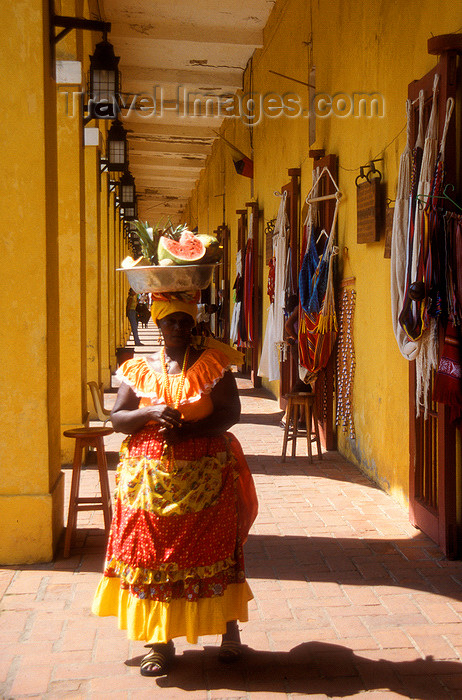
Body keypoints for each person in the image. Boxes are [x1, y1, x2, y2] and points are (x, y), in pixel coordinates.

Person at [92, 292, 258, 677]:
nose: (179, 329)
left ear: (194, 324)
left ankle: (228, 629)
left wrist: (191, 432)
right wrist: (149, 411)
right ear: (159, 326)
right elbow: (117, 419)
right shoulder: (138, 370)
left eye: (185, 321)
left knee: (214, 550)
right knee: (154, 557)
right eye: (171, 322)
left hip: (205, 477)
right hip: (147, 485)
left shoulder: (213, 365)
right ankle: (158, 640)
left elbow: (230, 412)